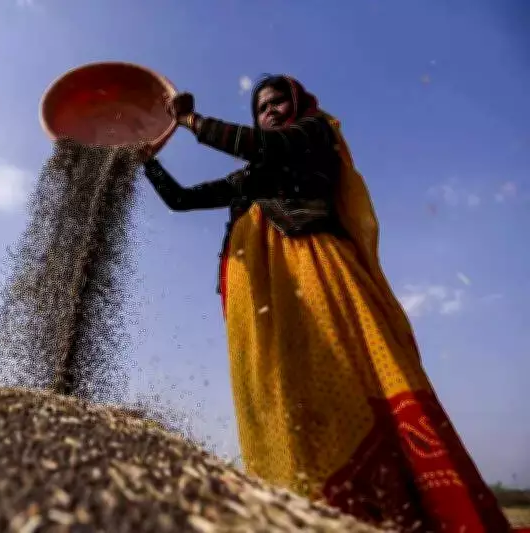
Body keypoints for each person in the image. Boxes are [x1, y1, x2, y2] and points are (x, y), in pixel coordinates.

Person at [139, 75, 515, 532]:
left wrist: (191, 121)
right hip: (264, 305)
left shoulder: (314, 134)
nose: (271, 111)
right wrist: (147, 164)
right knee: (288, 401)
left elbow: (263, 146)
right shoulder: (257, 174)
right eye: (261, 108)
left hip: (319, 275)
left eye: (278, 102)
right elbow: (182, 200)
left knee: (349, 380)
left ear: (296, 106)